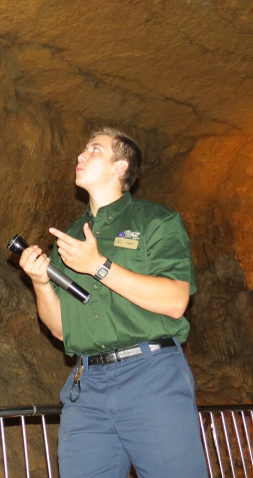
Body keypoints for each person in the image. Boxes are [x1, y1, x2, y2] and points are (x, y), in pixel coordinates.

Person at [19, 128, 208, 478]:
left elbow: (176, 301)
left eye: (94, 150)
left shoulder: (156, 221)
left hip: (151, 377)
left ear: (120, 167)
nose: (80, 155)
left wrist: (99, 266)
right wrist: (41, 283)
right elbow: (62, 331)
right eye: (82, 149)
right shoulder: (69, 238)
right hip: (87, 385)